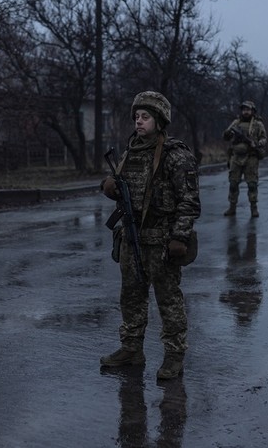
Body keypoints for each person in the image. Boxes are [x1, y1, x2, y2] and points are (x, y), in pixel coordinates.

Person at [99, 91, 201, 380]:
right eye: (136, 117)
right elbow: (121, 186)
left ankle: (174, 355)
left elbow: (189, 202)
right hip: (132, 239)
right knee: (131, 297)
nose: (139, 122)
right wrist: (109, 186)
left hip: (163, 242)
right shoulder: (131, 151)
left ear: (159, 120)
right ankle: (131, 348)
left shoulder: (175, 155)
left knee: (168, 300)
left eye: (145, 117)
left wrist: (179, 237)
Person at [223, 101, 267, 217]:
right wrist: (227, 133)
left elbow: (264, 138)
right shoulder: (236, 123)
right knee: (233, 183)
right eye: (244, 109)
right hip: (236, 157)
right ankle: (232, 207)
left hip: (251, 157)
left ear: (252, 111)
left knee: (252, 184)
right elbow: (226, 136)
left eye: (248, 109)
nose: (245, 112)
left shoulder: (258, 124)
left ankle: (254, 208)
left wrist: (256, 143)